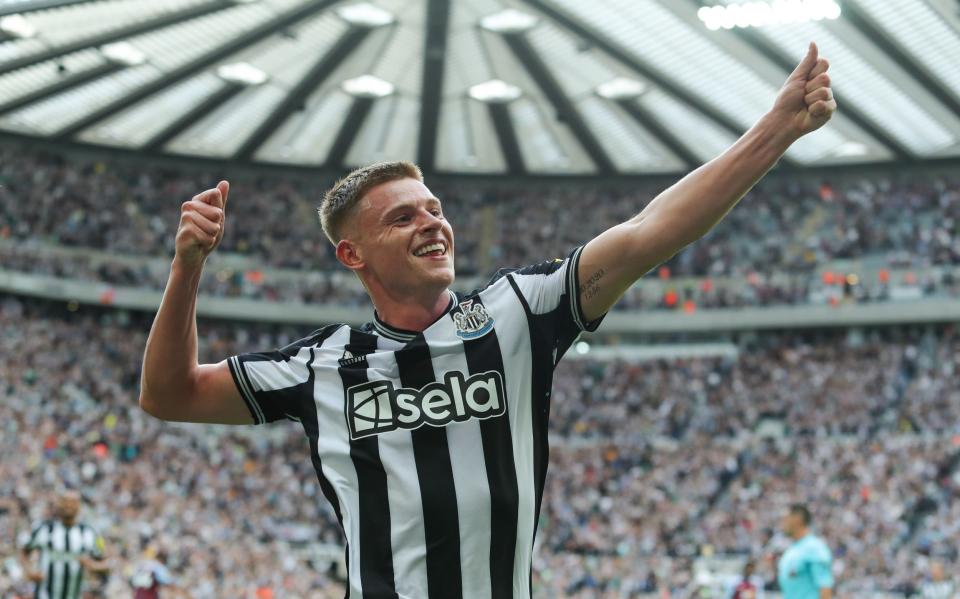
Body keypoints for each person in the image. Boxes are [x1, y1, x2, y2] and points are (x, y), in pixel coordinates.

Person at [139, 43, 836, 598]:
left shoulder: (517, 313)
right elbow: (168, 393)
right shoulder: (321, 364)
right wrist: (188, 267)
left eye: (434, 207)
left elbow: (649, 232)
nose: (432, 223)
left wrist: (776, 129)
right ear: (352, 253)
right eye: (403, 216)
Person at [20, 491, 109, 599]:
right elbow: (24, 551)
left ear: (79, 506)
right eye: (65, 502)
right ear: (58, 504)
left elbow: (106, 563)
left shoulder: (90, 532)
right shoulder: (43, 528)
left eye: (73, 502)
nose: (68, 505)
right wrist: (29, 571)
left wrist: (93, 565)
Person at [776, 504, 833, 599]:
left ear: (797, 519)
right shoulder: (792, 549)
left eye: (785, 519)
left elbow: (825, 589)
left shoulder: (814, 548)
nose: (782, 523)